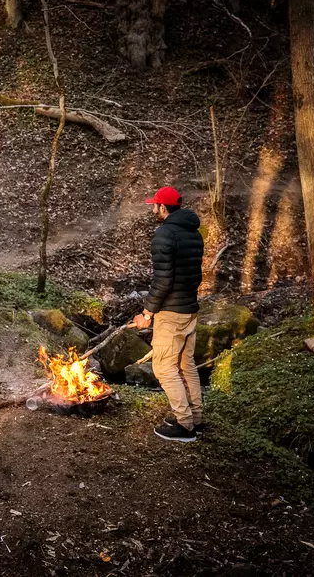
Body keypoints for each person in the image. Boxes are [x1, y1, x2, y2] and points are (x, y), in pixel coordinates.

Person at [133, 186, 204, 443]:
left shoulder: (164, 234)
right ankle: (196, 418)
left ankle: (185, 426)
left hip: (171, 313)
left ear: (163, 208)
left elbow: (162, 281)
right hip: (190, 310)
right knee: (186, 365)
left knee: (163, 367)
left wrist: (147, 313)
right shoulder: (194, 233)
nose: (153, 209)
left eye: (155, 205)